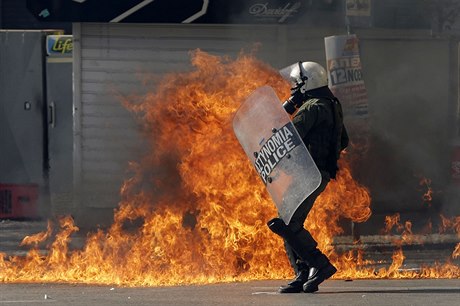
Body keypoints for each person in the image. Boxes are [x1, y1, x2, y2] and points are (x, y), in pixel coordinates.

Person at [267, 61, 349, 293]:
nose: (293, 89)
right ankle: (303, 273)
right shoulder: (332, 104)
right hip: (318, 174)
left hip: (307, 174)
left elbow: (289, 136)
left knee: (288, 224)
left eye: (295, 84)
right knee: (289, 221)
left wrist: (282, 115)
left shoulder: (312, 107)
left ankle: (319, 264)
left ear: (306, 83)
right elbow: (344, 141)